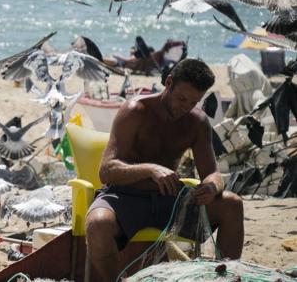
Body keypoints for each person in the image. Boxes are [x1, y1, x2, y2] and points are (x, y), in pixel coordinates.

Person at [85, 58, 243, 282]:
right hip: (126, 197)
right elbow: (107, 170)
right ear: (168, 83)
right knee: (97, 223)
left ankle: (226, 278)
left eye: (193, 102)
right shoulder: (134, 111)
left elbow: (213, 174)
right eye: (181, 98)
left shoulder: (197, 122)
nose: (185, 107)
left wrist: (211, 186)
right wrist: (150, 169)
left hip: (171, 200)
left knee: (232, 204)